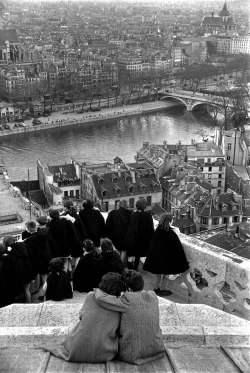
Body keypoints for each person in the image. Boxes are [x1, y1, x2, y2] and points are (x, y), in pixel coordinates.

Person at [42, 272, 129, 362]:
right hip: (105, 353)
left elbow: (81, 316)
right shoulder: (121, 305)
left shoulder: (91, 296)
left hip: (77, 349)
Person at [95, 270, 165, 365]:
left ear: (127, 287)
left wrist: (98, 289)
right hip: (157, 349)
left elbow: (100, 298)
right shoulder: (153, 296)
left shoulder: (126, 300)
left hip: (132, 354)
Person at [143, 213, 189, 296]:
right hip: (166, 259)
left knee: (158, 274)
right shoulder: (171, 233)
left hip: (157, 258)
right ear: (170, 221)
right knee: (165, 275)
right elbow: (177, 248)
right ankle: (162, 290)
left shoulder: (158, 230)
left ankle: (156, 289)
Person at [2, 236, 35, 303]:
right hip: (28, 272)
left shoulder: (11, 254)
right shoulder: (23, 245)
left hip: (21, 276)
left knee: (25, 290)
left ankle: (29, 303)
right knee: (27, 289)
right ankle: (29, 301)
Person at [124, 198, 154, 271]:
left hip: (133, 238)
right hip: (142, 239)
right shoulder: (148, 215)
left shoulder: (134, 214)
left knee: (131, 255)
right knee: (138, 255)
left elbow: (130, 227)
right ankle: (135, 269)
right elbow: (150, 227)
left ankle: (131, 270)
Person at [106, 199, 132, 263]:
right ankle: (121, 266)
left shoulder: (113, 213)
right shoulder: (131, 214)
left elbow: (108, 225)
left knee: (117, 251)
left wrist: (108, 236)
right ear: (127, 206)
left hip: (115, 236)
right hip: (126, 237)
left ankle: (117, 265)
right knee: (123, 251)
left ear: (119, 205)